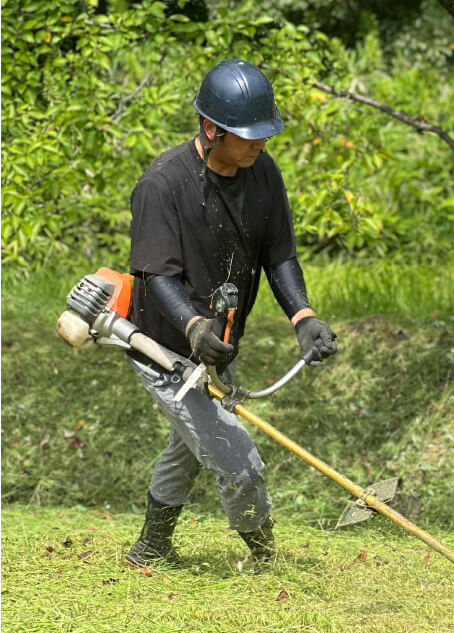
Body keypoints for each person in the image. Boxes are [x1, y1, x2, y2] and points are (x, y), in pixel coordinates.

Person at [124, 59, 337, 570]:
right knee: (235, 454)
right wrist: (193, 327)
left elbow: (279, 254)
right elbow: (158, 277)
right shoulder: (163, 184)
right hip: (164, 349)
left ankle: (149, 549)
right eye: (248, 135)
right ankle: (265, 558)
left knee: (190, 445)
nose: (260, 143)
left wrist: (303, 316)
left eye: (265, 133)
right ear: (210, 128)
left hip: (218, 341)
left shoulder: (261, 171)